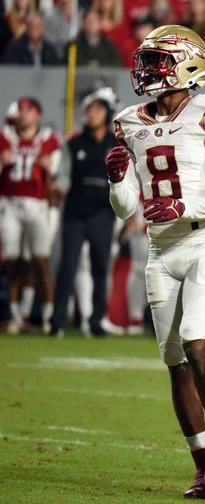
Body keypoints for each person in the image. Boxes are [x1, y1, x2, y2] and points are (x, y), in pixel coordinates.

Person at [106, 25, 205, 499]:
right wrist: (118, 181)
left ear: (186, 64)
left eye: (158, 61)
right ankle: (202, 466)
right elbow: (126, 207)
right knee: (175, 362)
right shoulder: (129, 120)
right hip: (160, 250)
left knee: (198, 344)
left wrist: (185, 207)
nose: (147, 71)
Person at [50, 87, 120, 337]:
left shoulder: (117, 144)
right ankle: (57, 321)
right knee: (67, 267)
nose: (92, 114)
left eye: (98, 109)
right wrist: (57, 186)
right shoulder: (74, 143)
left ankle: (96, 320)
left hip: (103, 212)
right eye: (89, 109)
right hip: (76, 212)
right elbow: (63, 176)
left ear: (107, 113)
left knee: (100, 268)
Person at [0, 96, 61, 334]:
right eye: (21, 110)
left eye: (28, 110)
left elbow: (58, 176)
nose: (23, 114)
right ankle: (16, 316)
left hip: (39, 206)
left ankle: (47, 317)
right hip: (10, 204)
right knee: (13, 260)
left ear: (38, 114)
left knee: (40, 262)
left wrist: (51, 168)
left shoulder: (49, 140)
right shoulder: (5, 136)